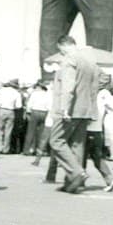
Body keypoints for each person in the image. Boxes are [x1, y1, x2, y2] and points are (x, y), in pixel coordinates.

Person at [48, 35, 99, 193]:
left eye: (60, 50)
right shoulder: (90, 62)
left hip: (69, 109)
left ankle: (76, 173)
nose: (61, 53)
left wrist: (64, 108)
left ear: (63, 46)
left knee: (56, 141)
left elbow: (68, 86)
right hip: (84, 110)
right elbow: (94, 87)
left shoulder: (69, 60)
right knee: (77, 145)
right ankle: (73, 182)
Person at [22, 81, 50, 156]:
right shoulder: (48, 94)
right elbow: (49, 106)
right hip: (44, 112)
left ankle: (28, 149)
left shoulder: (34, 94)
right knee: (42, 132)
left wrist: (28, 112)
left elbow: (29, 105)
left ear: (38, 87)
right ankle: (41, 150)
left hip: (35, 112)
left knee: (31, 131)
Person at [0, 78, 22, 154]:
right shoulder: (16, 93)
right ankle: (6, 149)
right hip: (11, 111)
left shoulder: (1, 91)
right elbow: (19, 106)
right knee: (8, 131)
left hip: (1, 110)